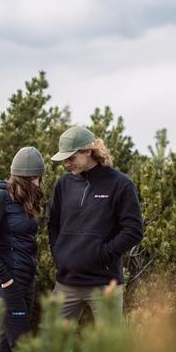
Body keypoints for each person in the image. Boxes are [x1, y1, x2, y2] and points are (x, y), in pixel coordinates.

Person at [48, 125, 144, 322]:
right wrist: (60, 253)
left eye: (71, 158)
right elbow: (53, 224)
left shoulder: (120, 184)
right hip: (66, 282)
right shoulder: (63, 185)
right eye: (64, 159)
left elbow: (134, 230)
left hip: (104, 285)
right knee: (51, 339)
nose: (66, 164)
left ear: (87, 151)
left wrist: (101, 255)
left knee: (110, 342)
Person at [0, 146, 45, 352]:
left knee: (8, 347)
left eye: (39, 178)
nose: (38, 183)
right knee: (23, 346)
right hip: (7, 284)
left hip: (26, 281)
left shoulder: (24, 201)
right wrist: (6, 280)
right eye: (34, 178)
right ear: (21, 178)